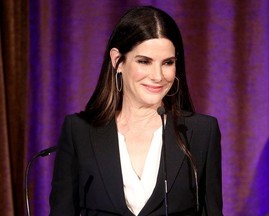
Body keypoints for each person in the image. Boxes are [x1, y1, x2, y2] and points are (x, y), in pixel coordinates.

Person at [49, 5, 223, 216]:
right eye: (144, 61)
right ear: (118, 61)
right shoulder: (79, 131)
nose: (158, 76)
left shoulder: (202, 132)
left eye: (167, 63)